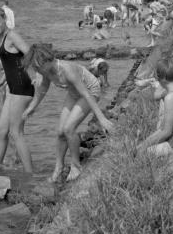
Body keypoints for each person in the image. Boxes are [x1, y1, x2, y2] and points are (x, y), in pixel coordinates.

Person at [21, 44, 114, 182]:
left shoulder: (67, 69)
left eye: (36, 67)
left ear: (46, 61)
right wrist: (31, 107)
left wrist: (101, 118)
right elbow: (43, 88)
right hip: (73, 93)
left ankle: (76, 166)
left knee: (68, 129)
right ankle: (58, 168)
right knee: (60, 132)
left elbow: (86, 94)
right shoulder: (45, 71)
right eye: (34, 68)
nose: (35, 70)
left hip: (90, 90)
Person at [0, 6, 35, 172]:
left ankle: (30, 175)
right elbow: (11, 66)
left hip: (22, 87)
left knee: (16, 133)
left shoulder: (12, 35)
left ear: (4, 20)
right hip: (12, 87)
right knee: (1, 131)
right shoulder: (0, 38)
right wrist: (1, 81)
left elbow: (30, 53)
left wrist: (39, 77)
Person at [138, 57, 173, 157]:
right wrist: (145, 143)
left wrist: (144, 146)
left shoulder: (170, 97)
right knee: (140, 148)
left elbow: (166, 131)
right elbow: (163, 129)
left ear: (160, 78)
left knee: (140, 154)